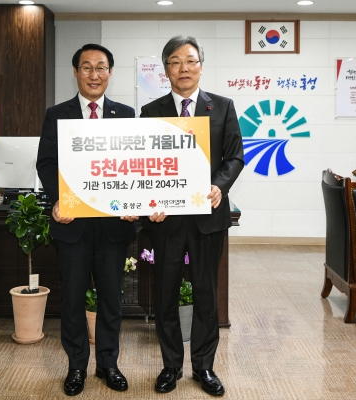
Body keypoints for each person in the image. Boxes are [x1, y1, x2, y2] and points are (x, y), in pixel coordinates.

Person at [140, 35, 244, 397]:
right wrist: (148, 201)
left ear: (201, 65)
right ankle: (171, 366)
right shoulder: (150, 112)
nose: (183, 68)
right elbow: (143, 165)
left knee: (206, 294)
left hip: (208, 217)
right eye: (175, 62)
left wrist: (219, 186)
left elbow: (234, 157)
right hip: (165, 220)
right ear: (165, 69)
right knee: (165, 295)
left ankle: (204, 367)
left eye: (190, 61)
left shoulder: (223, 107)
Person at [36, 43, 137, 397]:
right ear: (76, 72)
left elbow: (133, 165)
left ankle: (108, 364)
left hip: (113, 225)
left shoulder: (126, 115)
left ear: (110, 72)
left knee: (111, 299)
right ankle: (76, 366)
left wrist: (134, 200)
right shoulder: (57, 114)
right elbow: (46, 163)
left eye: (101, 67)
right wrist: (59, 200)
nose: (94, 74)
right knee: (73, 300)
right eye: (87, 67)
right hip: (73, 225)